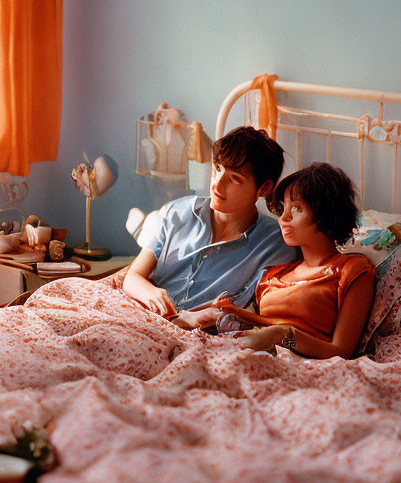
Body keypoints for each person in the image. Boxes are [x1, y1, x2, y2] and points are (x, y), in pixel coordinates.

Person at [195, 162, 375, 359]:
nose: (283, 218)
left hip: (291, 361)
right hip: (245, 346)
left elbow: (341, 351)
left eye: (296, 208)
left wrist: (284, 336)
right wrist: (234, 312)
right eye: (283, 208)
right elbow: (267, 325)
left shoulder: (351, 271)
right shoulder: (274, 274)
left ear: (327, 213)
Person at [122, 126, 298, 319]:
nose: (217, 183)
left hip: (195, 333)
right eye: (217, 168)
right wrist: (152, 294)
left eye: (234, 179)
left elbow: (267, 320)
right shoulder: (176, 213)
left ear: (264, 189)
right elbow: (133, 277)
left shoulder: (276, 245)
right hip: (137, 310)